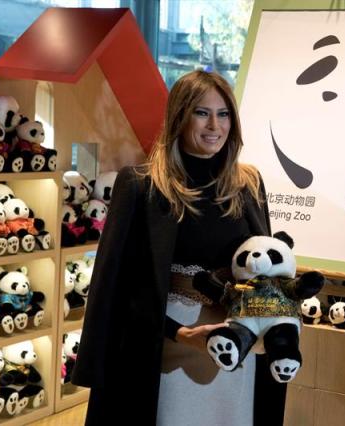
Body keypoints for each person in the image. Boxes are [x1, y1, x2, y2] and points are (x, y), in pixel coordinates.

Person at [72, 70, 286, 425]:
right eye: (201, 113)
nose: (214, 125)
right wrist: (179, 333)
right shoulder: (141, 185)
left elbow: (267, 269)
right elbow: (115, 284)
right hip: (165, 345)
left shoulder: (249, 183)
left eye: (224, 114)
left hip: (236, 344)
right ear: (179, 116)